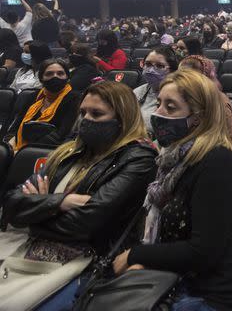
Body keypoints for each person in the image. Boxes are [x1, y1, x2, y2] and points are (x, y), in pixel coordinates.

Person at [1, 81, 157, 311]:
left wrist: (36, 210)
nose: (86, 119)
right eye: (83, 112)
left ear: (122, 119)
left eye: (97, 114)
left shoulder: (138, 158)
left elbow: (86, 224)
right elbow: (11, 205)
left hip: (86, 259)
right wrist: (59, 202)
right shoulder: (68, 151)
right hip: (27, 245)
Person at [112, 70, 232, 311]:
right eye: (159, 104)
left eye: (171, 107)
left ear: (198, 117)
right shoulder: (171, 158)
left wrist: (137, 255)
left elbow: (203, 252)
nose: (157, 113)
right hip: (178, 275)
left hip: (212, 292)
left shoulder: (216, 163)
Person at [6, 58, 80, 152]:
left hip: (48, 150)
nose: (55, 77)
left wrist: (25, 151)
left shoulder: (75, 99)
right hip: (17, 148)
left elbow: (61, 134)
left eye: (60, 73)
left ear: (67, 77)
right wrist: (9, 144)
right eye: (49, 74)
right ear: (41, 79)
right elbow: (16, 125)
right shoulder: (33, 97)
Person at [178, 55, 232, 147]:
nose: (184, 80)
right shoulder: (181, 97)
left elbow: (229, 142)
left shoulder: (220, 103)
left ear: (205, 77)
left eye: (190, 76)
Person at [134, 46, 178, 135]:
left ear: (172, 71)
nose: (150, 70)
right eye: (148, 64)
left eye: (159, 66)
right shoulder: (137, 91)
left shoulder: (178, 96)